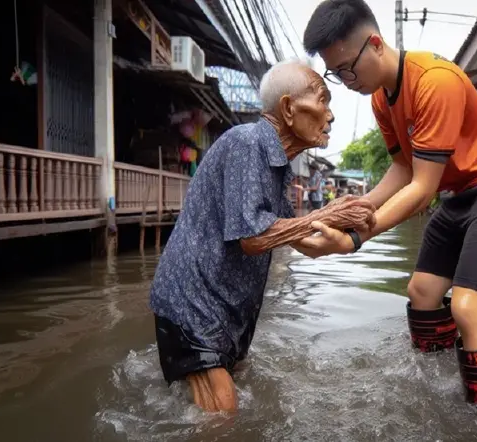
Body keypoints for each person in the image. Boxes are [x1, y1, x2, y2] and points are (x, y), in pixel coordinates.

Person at [300, 0, 477, 407]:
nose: (345, 80)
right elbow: (401, 168)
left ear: (375, 43)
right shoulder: (381, 97)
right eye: (335, 74)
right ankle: (444, 388)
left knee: (467, 308)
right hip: (460, 191)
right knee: (422, 290)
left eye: (346, 69)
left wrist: (354, 239)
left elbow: (422, 189)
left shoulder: (434, 80)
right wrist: (348, 212)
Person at [149, 58, 376, 413]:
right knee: (224, 416)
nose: (330, 115)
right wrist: (326, 213)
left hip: (226, 309)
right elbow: (253, 238)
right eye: (323, 100)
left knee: (223, 404)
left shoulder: (275, 165)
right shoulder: (248, 142)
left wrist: (345, 234)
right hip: (193, 304)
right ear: (288, 108)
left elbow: (297, 239)